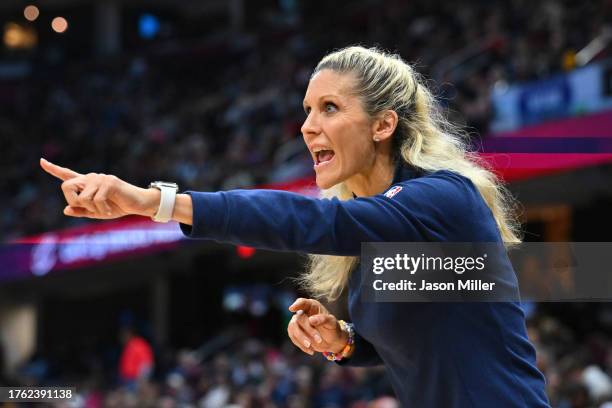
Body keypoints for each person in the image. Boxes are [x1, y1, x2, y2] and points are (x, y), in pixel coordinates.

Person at [40, 46, 550, 407]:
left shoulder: (442, 198)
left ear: (383, 125)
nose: (307, 126)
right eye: (307, 110)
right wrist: (345, 341)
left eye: (329, 108)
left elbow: (311, 219)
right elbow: (428, 341)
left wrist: (155, 201)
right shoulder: (388, 233)